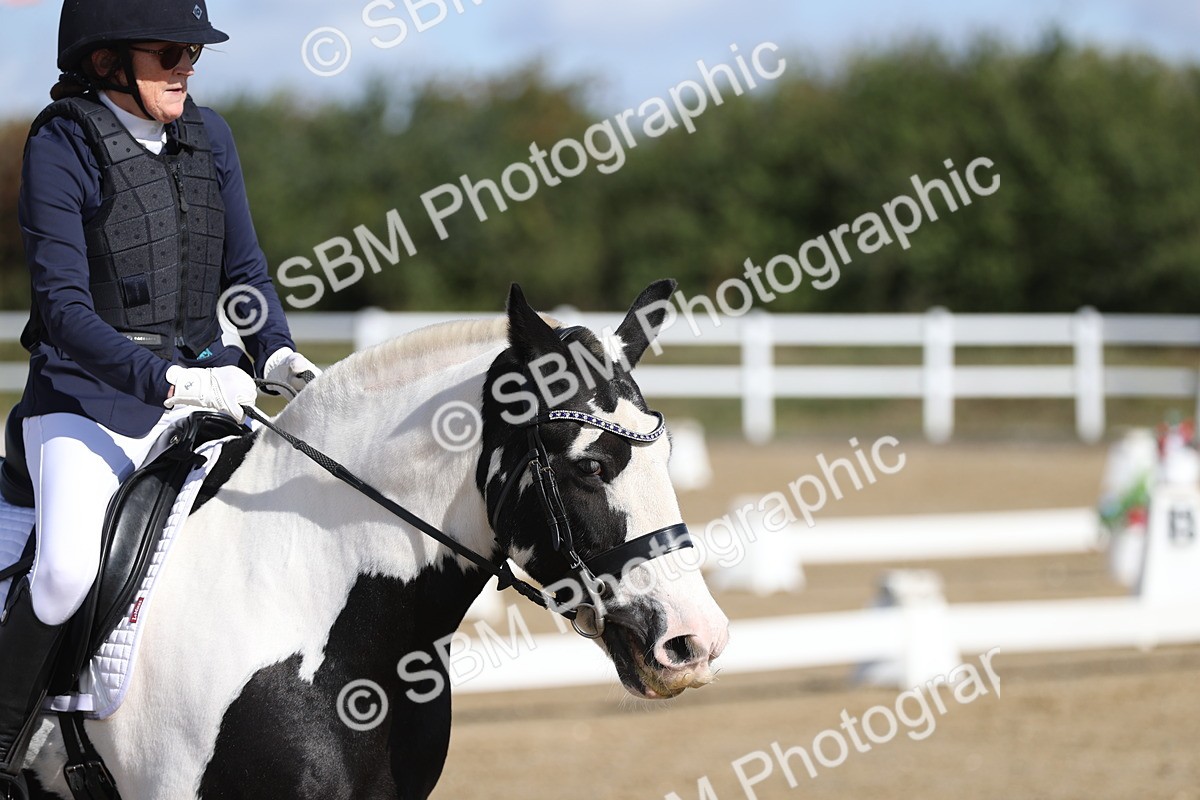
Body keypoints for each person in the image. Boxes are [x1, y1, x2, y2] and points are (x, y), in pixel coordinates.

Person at [0, 0, 321, 787]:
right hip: (81, 404)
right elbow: (65, 313)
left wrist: (275, 350)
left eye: (193, 51)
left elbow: (244, 274)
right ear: (107, 58)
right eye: (169, 51)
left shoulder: (210, 136)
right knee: (67, 572)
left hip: (196, 389)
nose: (187, 65)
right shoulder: (62, 142)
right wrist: (169, 379)